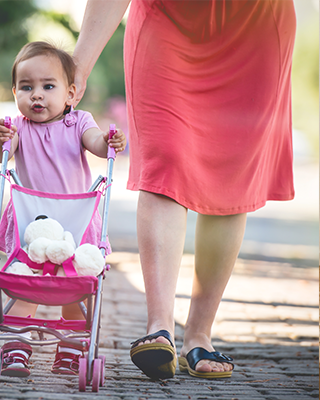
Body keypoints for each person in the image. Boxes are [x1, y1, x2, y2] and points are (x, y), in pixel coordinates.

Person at [72, 0, 296, 380]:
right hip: (167, 20)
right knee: (165, 158)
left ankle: (200, 333)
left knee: (231, 177)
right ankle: (159, 327)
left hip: (255, 28)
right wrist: (77, 66)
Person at [0, 41, 126, 377]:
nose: (37, 95)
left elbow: (94, 142)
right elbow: (0, 153)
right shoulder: (19, 127)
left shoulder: (79, 122)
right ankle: (17, 348)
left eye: (48, 87)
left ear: (70, 94)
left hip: (75, 227)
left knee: (75, 290)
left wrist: (106, 142)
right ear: (15, 92)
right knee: (26, 286)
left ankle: (70, 348)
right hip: (29, 225)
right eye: (27, 87)